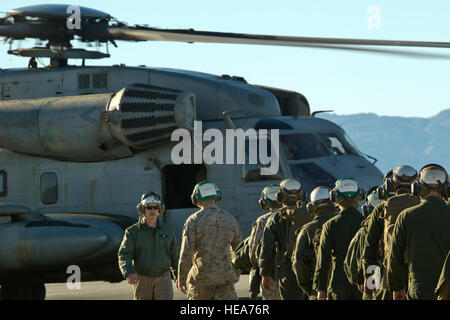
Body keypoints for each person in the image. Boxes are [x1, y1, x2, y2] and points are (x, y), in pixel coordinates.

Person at [386, 164, 450, 300]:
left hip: (418, 289)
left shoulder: (406, 216)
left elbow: (394, 255)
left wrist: (397, 287)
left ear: (417, 186)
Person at [361, 165, 420, 300]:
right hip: (418, 275)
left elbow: (370, 248)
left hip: (390, 276)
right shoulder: (422, 206)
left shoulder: (382, 208)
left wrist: (370, 282)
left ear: (390, 185)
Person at [177, 181, 242, 300]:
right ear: (217, 195)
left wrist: (181, 279)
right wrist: (234, 274)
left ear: (196, 197)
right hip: (225, 282)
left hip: (200, 282)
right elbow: (239, 252)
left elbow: (186, 253)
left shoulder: (193, 221)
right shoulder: (230, 220)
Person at [118, 191, 179, 300]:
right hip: (142, 278)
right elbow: (124, 254)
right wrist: (128, 273)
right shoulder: (132, 232)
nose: (152, 211)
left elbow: (174, 254)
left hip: (163, 277)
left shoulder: (167, 230)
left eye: (155, 208)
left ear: (159, 209)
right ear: (142, 209)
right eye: (149, 207)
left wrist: (178, 275)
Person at [259, 178, 312, 300]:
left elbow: (267, 247)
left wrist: (265, 274)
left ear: (279, 195)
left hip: (288, 270)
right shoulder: (311, 213)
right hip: (311, 269)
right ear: (302, 194)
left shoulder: (276, 218)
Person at [313, 178, 364, 300]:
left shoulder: (330, 225)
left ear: (334, 196)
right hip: (365, 281)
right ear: (359, 195)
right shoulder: (366, 222)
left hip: (339, 280)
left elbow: (323, 260)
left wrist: (321, 288)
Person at [292, 186, 337, 299]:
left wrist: (310, 289)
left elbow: (298, 263)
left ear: (311, 207)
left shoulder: (307, 230)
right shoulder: (345, 223)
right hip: (347, 289)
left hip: (319, 292)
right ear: (333, 203)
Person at [344, 187, 383, 300]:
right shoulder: (400, 225)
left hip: (373, 285)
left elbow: (351, 264)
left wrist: (361, 281)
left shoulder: (363, 232)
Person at [247, 184, 282, 300]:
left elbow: (253, 251)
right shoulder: (293, 216)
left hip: (269, 277)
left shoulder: (262, 221)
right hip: (292, 276)